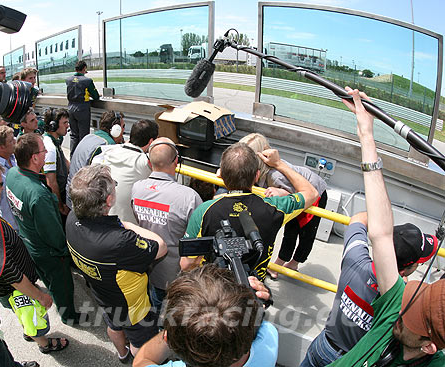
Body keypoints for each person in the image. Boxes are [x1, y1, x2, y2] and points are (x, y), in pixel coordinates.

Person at [326, 88, 445, 367]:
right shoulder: (397, 306)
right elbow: (379, 233)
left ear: (430, 347)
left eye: (412, 317)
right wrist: (366, 133)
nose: (403, 312)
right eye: (414, 300)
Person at [300, 211, 438, 367]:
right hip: (353, 361)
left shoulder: (356, 257)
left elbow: (359, 218)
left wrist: (384, 231)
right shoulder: (403, 299)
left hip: (323, 345)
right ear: (406, 269)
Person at [0, 158, 70, 355]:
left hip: (8, 288)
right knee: (35, 319)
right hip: (16, 291)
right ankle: (43, 343)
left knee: (24, 315)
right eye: (0, 183)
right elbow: (13, 277)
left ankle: (29, 329)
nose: (3, 187)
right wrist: (40, 296)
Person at [66, 164, 167, 362]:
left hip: (102, 295)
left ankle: (122, 354)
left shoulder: (71, 219)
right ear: (109, 199)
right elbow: (160, 246)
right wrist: (126, 225)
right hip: (132, 307)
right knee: (142, 343)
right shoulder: (119, 240)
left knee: (113, 326)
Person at [182, 142, 318, 281]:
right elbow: (312, 192)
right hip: (252, 287)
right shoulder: (274, 207)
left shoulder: (204, 211)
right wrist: (279, 164)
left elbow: (186, 264)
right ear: (257, 176)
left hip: (213, 289)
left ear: (221, 175)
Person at [133, 264, 277, 367]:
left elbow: (142, 360)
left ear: (169, 339)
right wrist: (255, 299)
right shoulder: (268, 338)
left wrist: (171, 331)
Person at [6, 132, 81, 325]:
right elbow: (53, 234)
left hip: (29, 242)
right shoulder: (38, 195)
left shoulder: (13, 173)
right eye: (43, 149)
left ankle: (55, 297)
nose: (47, 151)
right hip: (48, 252)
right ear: (35, 158)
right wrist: (65, 252)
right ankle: (69, 316)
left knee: (47, 279)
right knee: (62, 285)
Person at [239, 133, 328, 279]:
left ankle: (295, 262)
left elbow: (300, 192)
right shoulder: (261, 172)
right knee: (290, 230)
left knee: (306, 233)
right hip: (294, 192)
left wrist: (280, 191)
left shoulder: (276, 176)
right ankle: (280, 262)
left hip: (315, 192)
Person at [131, 137, 202, 312]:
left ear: (149, 162)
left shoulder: (137, 188)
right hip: (178, 275)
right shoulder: (189, 197)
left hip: (148, 269)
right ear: (176, 161)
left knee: (155, 307)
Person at [102, 119, 159, 223]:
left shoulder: (110, 152)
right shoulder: (143, 162)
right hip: (127, 226)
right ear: (151, 142)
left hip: (105, 217)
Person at [65, 110, 125, 209]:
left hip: (70, 195)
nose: (123, 131)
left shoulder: (89, 137)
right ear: (115, 129)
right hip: (82, 202)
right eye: (122, 127)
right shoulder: (107, 146)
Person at [0, 125, 19, 232]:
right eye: (11, 141)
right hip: (9, 227)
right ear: (1, 147)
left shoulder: (14, 158)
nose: (15, 142)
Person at [42, 108, 71, 223]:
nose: (68, 126)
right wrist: (61, 207)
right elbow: (51, 182)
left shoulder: (55, 142)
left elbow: (64, 162)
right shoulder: (50, 147)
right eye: (64, 123)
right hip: (58, 199)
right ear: (53, 125)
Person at [66, 60, 100, 155]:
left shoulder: (68, 80)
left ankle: (73, 157)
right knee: (84, 136)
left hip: (71, 109)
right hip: (82, 110)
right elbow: (96, 96)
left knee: (73, 136)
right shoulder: (87, 81)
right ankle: (82, 158)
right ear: (84, 68)